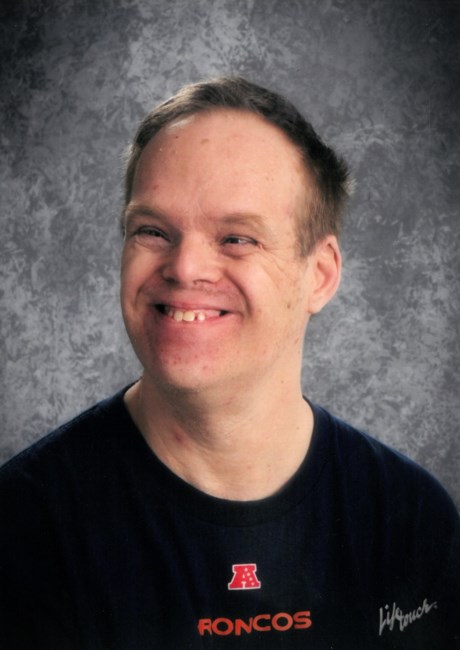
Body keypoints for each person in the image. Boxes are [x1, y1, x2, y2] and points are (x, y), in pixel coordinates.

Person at [0, 77, 459, 650]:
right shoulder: (21, 528)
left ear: (320, 275)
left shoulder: (412, 520)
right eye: (152, 231)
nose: (185, 267)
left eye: (237, 238)